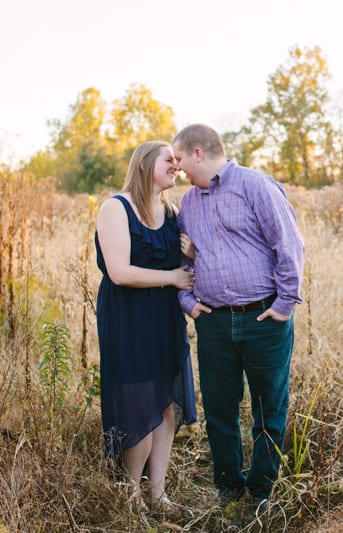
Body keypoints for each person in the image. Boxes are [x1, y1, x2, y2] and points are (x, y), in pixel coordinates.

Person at [172, 124, 304, 506]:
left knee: (269, 408)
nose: (177, 168)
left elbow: (289, 244)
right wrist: (188, 303)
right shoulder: (189, 205)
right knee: (219, 408)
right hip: (213, 321)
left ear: (199, 153)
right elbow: (184, 260)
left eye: (179, 159)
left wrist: (283, 305)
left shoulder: (254, 185)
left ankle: (261, 490)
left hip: (262, 317)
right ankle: (228, 488)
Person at [94, 140, 197, 508]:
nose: (177, 166)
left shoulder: (170, 211)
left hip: (164, 315)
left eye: (178, 161)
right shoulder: (115, 208)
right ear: (143, 164)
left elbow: (191, 263)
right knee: (138, 400)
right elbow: (120, 272)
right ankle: (132, 494)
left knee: (165, 402)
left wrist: (190, 254)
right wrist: (171, 277)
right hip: (127, 316)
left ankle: (158, 492)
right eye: (169, 159)